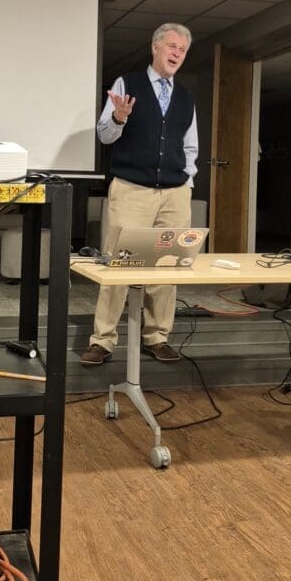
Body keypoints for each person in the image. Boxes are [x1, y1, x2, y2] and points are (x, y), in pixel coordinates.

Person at [81, 23, 198, 365]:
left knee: (169, 266)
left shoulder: (186, 97)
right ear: (155, 47)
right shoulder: (126, 84)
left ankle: (157, 336)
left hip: (174, 193)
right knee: (119, 265)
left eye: (183, 50)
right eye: (172, 46)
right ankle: (102, 340)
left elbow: (190, 146)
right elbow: (105, 136)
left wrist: (186, 185)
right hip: (131, 189)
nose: (177, 53)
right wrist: (118, 116)